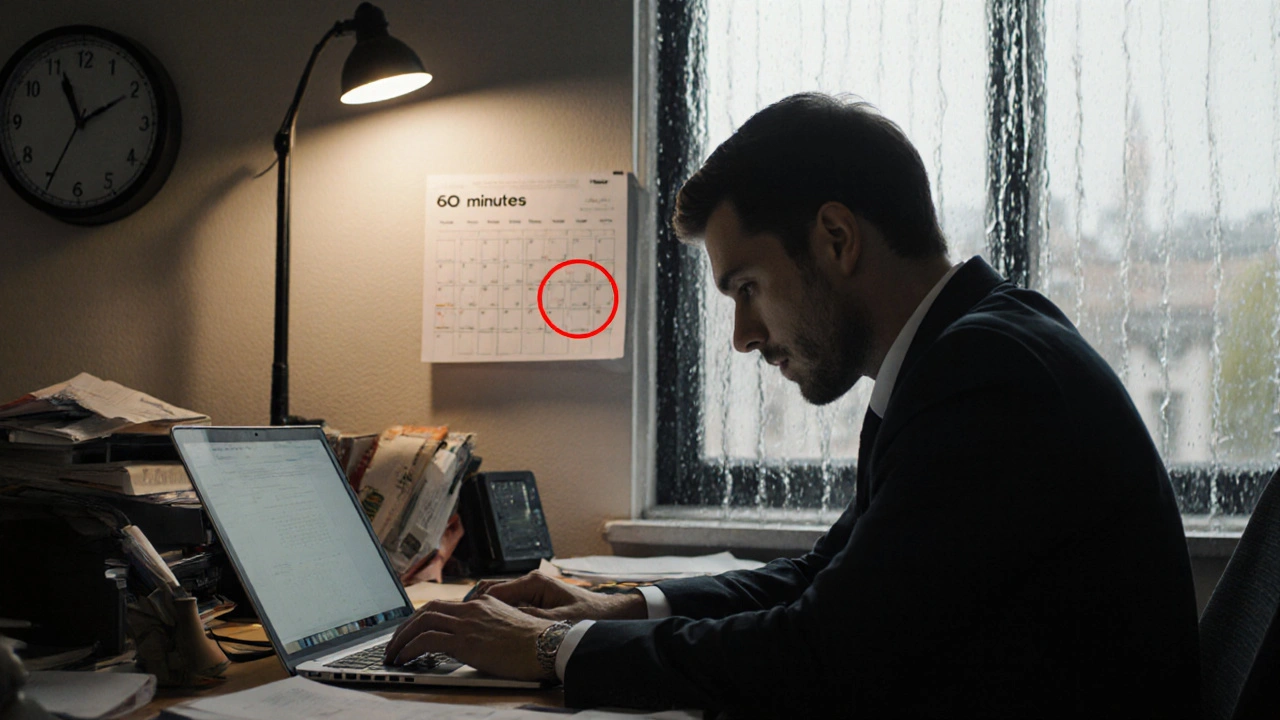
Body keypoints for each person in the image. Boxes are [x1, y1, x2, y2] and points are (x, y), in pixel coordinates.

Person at [384, 93, 1201, 718]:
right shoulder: (968, 349)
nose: (742, 337)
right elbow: (827, 580)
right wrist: (621, 605)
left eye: (747, 288)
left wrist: (558, 647)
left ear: (836, 239)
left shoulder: (986, 375)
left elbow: (825, 652)